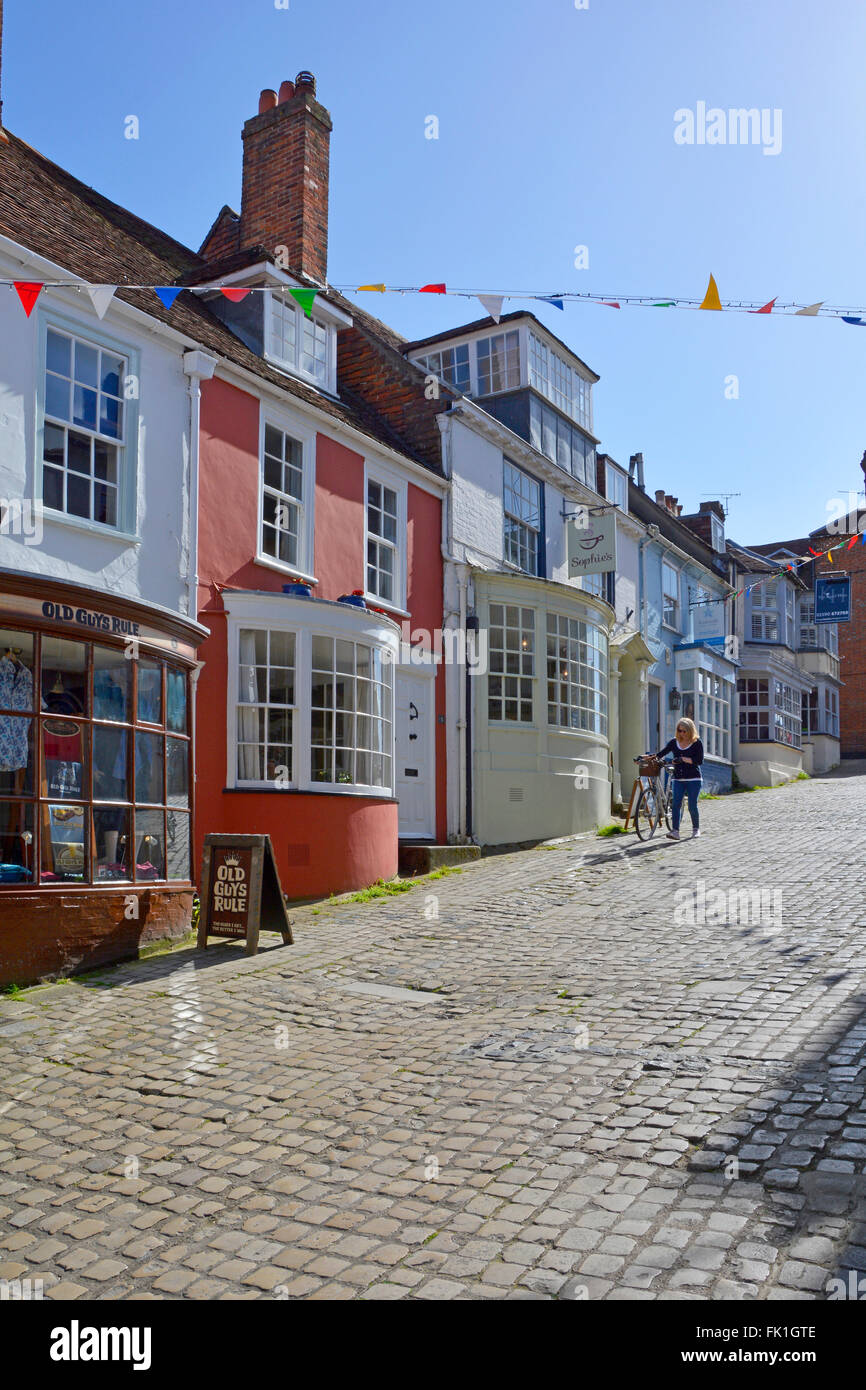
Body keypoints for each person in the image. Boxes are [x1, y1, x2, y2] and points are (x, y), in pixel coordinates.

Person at [656, 716, 704, 840]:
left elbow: (699, 761)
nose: (682, 733)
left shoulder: (697, 743)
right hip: (678, 778)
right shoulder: (674, 742)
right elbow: (661, 753)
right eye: (679, 730)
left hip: (694, 779)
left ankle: (696, 829)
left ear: (690, 730)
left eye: (684, 731)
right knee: (676, 804)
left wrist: (682, 759)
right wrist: (648, 758)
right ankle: (675, 831)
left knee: (692, 805)